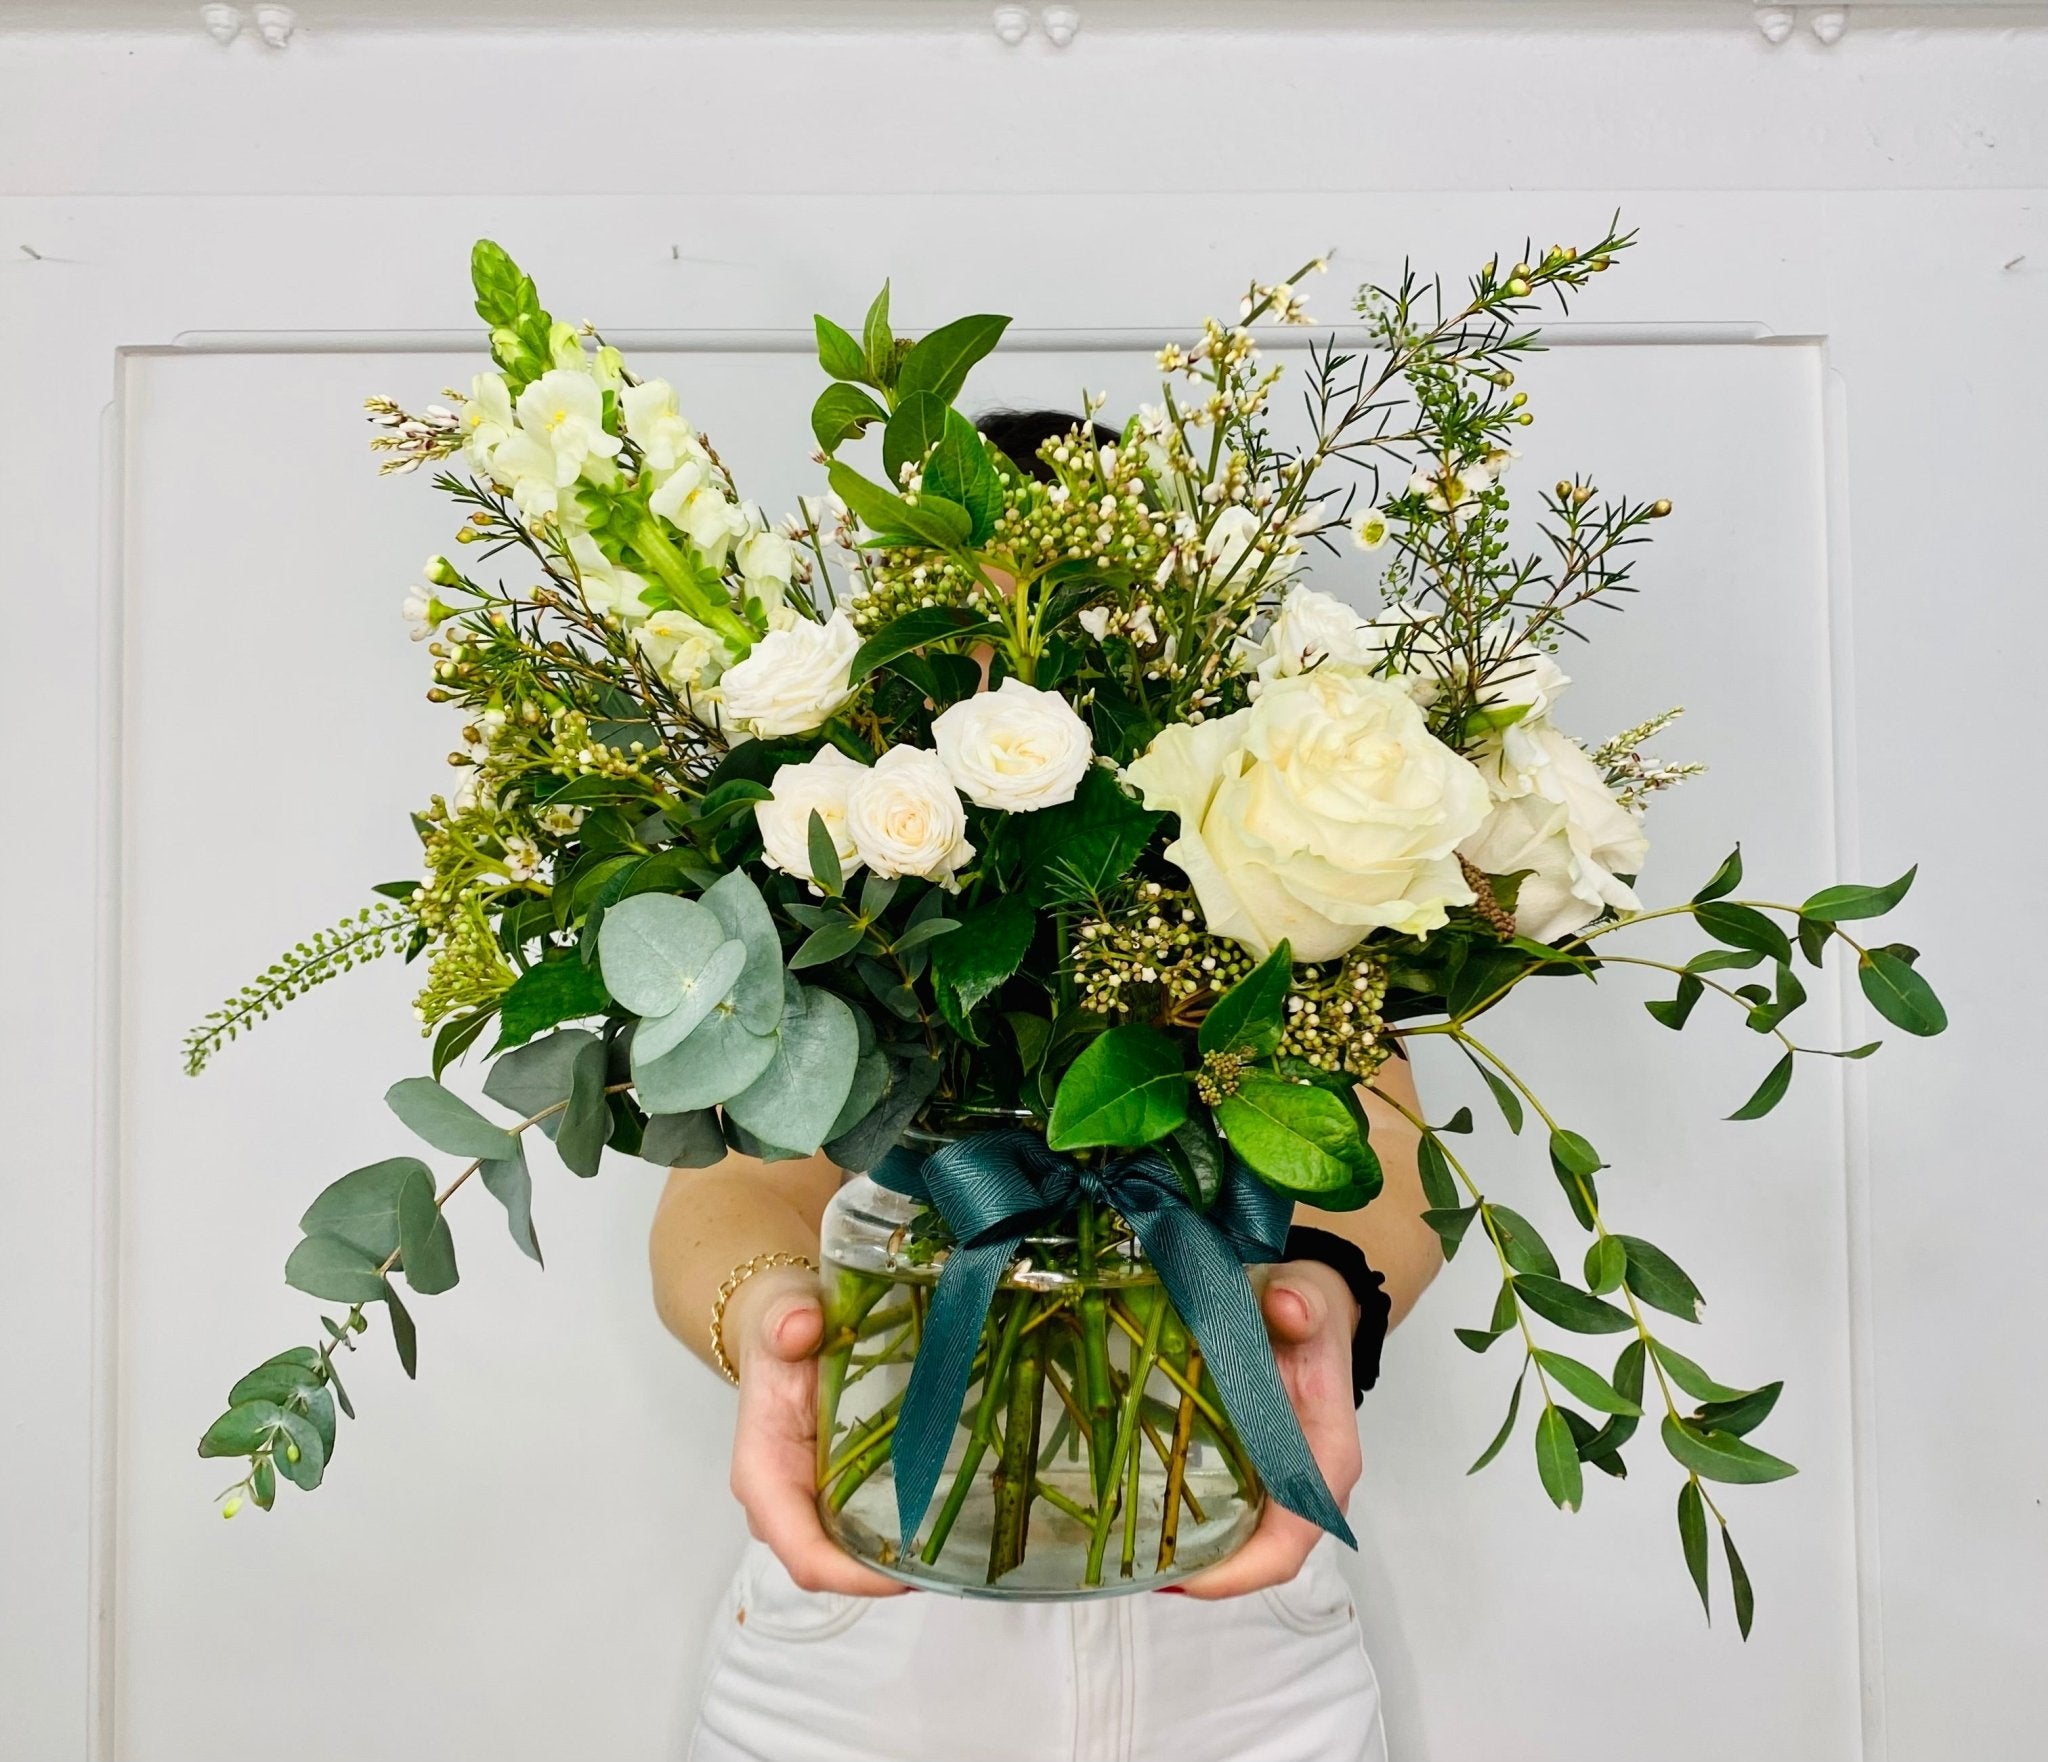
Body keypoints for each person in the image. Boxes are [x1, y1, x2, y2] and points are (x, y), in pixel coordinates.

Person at [649, 412, 1446, 1762]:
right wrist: (770, 1318)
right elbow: (731, 1185)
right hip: (865, 1658)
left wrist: (1322, 1310)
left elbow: (1377, 1156)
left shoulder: (1260, 885)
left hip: (1244, 1651)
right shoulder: (836, 889)